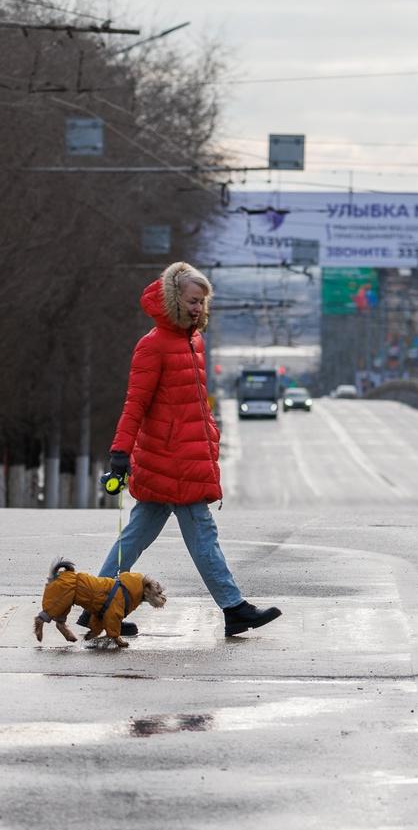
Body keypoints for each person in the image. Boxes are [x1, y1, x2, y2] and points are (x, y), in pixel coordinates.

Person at [86, 261, 282, 638]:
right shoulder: (153, 345)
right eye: (192, 301)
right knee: (202, 536)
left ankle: (98, 608)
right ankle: (234, 607)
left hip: (181, 458)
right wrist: (119, 453)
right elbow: (135, 404)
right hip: (171, 462)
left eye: (202, 303)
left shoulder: (192, 342)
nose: (198, 308)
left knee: (134, 538)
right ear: (174, 298)